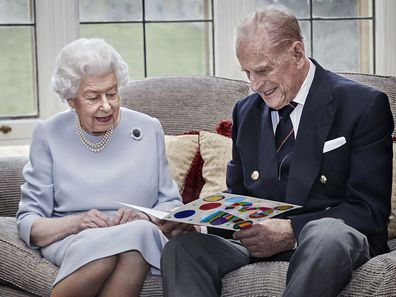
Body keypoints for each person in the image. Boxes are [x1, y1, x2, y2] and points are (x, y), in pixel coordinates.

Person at [160, 7, 394, 297]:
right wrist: (199, 227)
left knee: (327, 235)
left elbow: (369, 212)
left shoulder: (363, 105)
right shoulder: (245, 111)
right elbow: (238, 201)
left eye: (262, 70)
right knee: (183, 249)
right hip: (257, 246)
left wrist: (291, 232)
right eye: (247, 73)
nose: (255, 85)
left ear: (296, 53)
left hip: (329, 244)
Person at [16, 38, 185, 297]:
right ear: (71, 100)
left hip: (139, 234)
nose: (106, 106)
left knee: (135, 239)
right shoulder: (48, 134)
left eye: (112, 93)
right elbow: (30, 223)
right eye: (93, 97)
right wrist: (77, 223)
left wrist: (147, 217)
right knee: (108, 253)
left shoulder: (149, 128)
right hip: (74, 237)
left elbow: (171, 205)